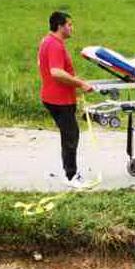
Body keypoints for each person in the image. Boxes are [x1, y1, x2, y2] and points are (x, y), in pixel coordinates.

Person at [38, 11, 94, 189]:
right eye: (69, 25)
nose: (72, 28)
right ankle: (71, 177)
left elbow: (42, 65)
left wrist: (74, 83)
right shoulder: (54, 45)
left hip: (54, 96)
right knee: (71, 136)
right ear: (60, 26)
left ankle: (69, 172)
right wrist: (80, 83)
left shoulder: (46, 41)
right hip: (59, 99)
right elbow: (56, 72)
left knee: (69, 135)